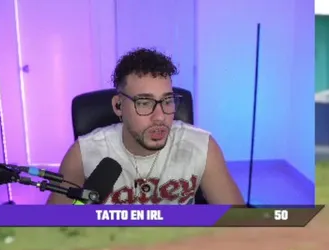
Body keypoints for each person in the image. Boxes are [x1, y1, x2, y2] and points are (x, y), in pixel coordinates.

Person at [48, 48, 244, 205]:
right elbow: (51, 229)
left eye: (167, 101)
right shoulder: (84, 154)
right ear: (118, 106)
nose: (160, 117)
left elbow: (239, 226)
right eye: (144, 103)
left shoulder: (201, 147)